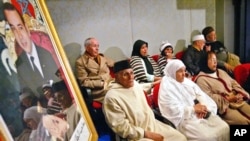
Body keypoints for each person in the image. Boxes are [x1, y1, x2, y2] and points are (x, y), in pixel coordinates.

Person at [102, 60, 187, 141]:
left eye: (132, 73)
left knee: (180, 138)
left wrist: (154, 84)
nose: (130, 77)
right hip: (136, 135)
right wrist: (146, 134)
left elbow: (141, 87)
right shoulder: (111, 97)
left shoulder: (133, 84)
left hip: (153, 125)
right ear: (116, 77)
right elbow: (121, 127)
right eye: (125, 74)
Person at [158, 59, 229, 141]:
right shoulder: (167, 86)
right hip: (184, 119)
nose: (184, 74)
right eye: (180, 71)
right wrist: (193, 109)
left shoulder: (186, 82)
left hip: (200, 112)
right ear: (172, 72)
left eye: (184, 71)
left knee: (225, 127)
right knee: (208, 137)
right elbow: (172, 109)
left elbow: (200, 94)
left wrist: (203, 106)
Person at [3, 2, 59, 98]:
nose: (20, 36)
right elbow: (27, 95)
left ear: (27, 30)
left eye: (20, 27)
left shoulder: (46, 53)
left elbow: (60, 84)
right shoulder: (19, 63)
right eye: (14, 30)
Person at [195, 51, 250, 125]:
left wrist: (238, 93)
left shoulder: (221, 71)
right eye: (211, 60)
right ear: (204, 62)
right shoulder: (201, 79)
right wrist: (228, 98)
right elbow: (209, 97)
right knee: (244, 122)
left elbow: (233, 82)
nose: (215, 62)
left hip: (237, 100)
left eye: (215, 59)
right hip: (223, 107)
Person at [75, 37, 114, 103]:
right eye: (94, 46)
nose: (97, 48)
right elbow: (84, 82)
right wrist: (101, 83)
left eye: (98, 46)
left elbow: (115, 64)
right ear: (87, 48)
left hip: (111, 83)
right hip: (99, 90)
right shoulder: (80, 62)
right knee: (115, 94)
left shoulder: (102, 57)